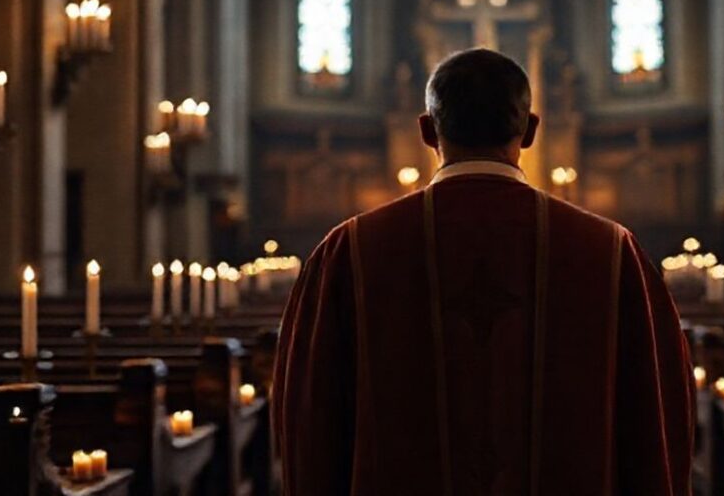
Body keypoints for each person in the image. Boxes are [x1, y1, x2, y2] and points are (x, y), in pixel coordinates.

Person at [273, 48, 694, 495]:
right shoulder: (610, 251)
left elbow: (309, 421)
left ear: (427, 129)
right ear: (530, 129)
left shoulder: (350, 249)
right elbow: (659, 419)